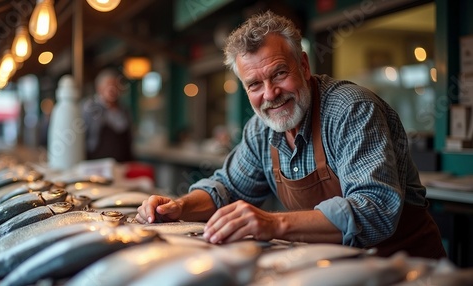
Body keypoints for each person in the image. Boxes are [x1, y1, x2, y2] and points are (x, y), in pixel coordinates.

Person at [136, 11, 446, 259]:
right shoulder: (260, 129)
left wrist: (273, 223)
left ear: (304, 65)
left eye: (279, 74)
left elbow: (374, 209)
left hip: (403, 269)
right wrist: (179, 207)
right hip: (332, 267)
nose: (270, 94)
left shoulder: (350, 109)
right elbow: (226, 188)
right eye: (254, 85)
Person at [81, 68, 134, 162]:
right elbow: (82, 139)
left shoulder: (124, 111)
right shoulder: (90, 109)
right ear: (99, 88)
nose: (112, 90)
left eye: (115, 86)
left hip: (123, 166)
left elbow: (129, 141)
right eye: (108, 86)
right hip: (96, 166)